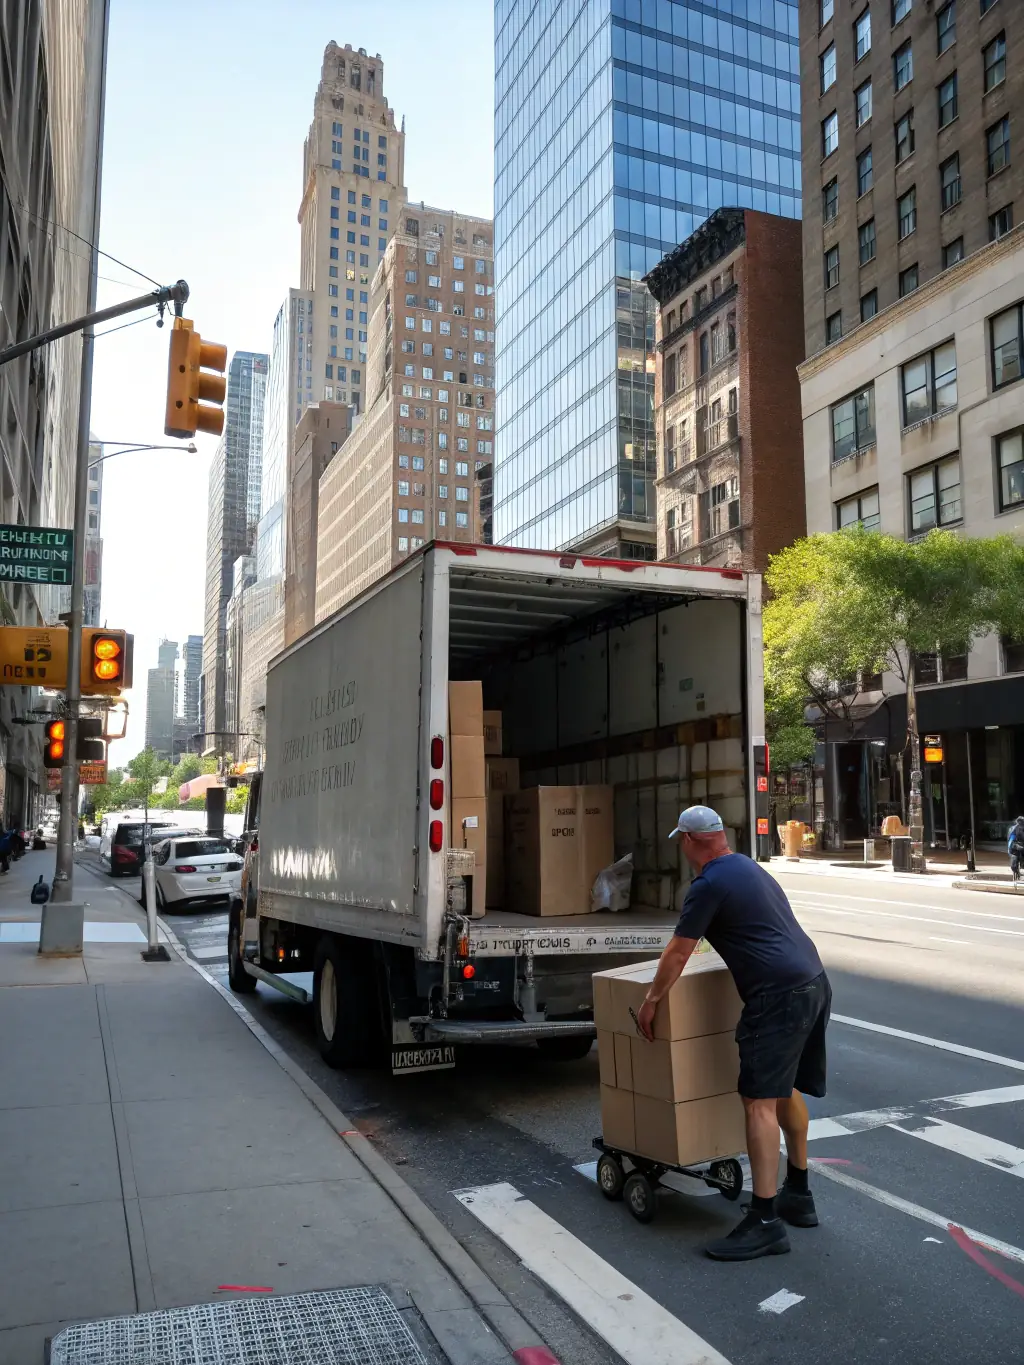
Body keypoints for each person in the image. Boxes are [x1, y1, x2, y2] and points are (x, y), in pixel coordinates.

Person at [636, 805, 830, 1263]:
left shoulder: (707, 885)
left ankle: (764, 1222)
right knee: (782, 1089)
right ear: (721, 837)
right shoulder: (746, 867)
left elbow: (679, 953)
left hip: (779, 996)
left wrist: (651, 1001)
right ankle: (798, 1194)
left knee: (759, 1101)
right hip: (813, 980)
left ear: (688, 841)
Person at [1007, 816, 1024, 881]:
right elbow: (1011, 841)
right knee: (1014, 865)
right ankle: (1017, 872)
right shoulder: (1013, 829)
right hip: (1015, 848)